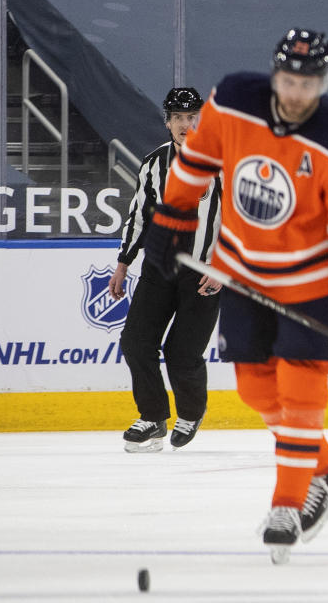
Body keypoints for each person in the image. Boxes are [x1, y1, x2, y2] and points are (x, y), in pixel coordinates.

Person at [141, 28, 328, 564]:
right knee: (254, 390)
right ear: (275, 75)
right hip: (246, 273)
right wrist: (172, 212)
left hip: (311, 285)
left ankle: (287, 504)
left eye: (308, 82)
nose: (296, 93)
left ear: (323, 82)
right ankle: (327, 467)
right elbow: (197, 162)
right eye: (289, 80)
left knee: (300, 396)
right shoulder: (233, 100)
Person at [110, 87, 223, 453]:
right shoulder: (154, 163)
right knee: (135, 342)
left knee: (182, 352)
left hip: (204, 274)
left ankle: (190, 413)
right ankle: (154, 417)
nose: (185, 124)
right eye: (178, 118)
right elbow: (139, 217)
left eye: (192, 117)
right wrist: (123, 263)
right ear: (168, 122)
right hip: (159, 270)